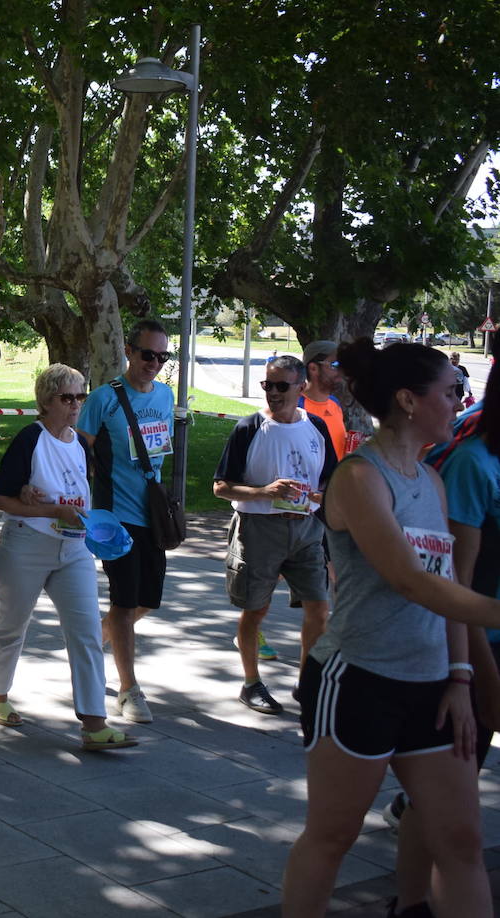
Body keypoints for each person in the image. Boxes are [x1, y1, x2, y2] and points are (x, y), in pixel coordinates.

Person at [282, 339, 500, 915]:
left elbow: (447, 584)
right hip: (358, 681)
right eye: (452, 391)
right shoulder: (360, 477)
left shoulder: (430, 479)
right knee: (332, 838)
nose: (460, 401)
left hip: (432, 689)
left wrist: (458, 677)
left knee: (461, 842)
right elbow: (412, 581)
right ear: (408, 400)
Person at [0, 363, 136, 750]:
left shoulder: (81, 443)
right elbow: (3, 498)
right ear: (45, 401)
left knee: (85, 632)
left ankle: (93, 723)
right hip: (26, 545)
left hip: (75, 548)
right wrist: (47, 508)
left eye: (80, 396)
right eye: (67, 397)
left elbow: (80, 496)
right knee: (11, 624)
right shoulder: (30, 438)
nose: (75, 404)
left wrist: (98, 525)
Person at [212, 356, 337, 716]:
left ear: (302, 388)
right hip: (259, 530)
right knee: (256, 610)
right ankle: (251, 683)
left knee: (318, 607)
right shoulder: (249, 428)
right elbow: (221, 487)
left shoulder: (315, 426)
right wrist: (266, 492)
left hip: (307, 530)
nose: (274, 393)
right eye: (269, 385)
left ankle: (307, 683)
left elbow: (329, 477)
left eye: (283, 386)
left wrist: (321, 496)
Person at [76, 318, 175, 725]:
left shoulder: (166, 396)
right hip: (116, 517)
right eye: (147, 354)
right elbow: (78, 451)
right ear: (129, 352)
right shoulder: (104, 398)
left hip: (153, 514)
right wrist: (81, 503)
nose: (154, 362)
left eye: (162, 356)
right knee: (124, 601)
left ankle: (93, 641)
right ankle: (129, 689)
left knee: (147, 601)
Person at [300, 341, 348, 461]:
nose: (341, 372)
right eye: (335, 365)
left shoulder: (334, 403)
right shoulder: (296, 408)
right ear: (313, 368)